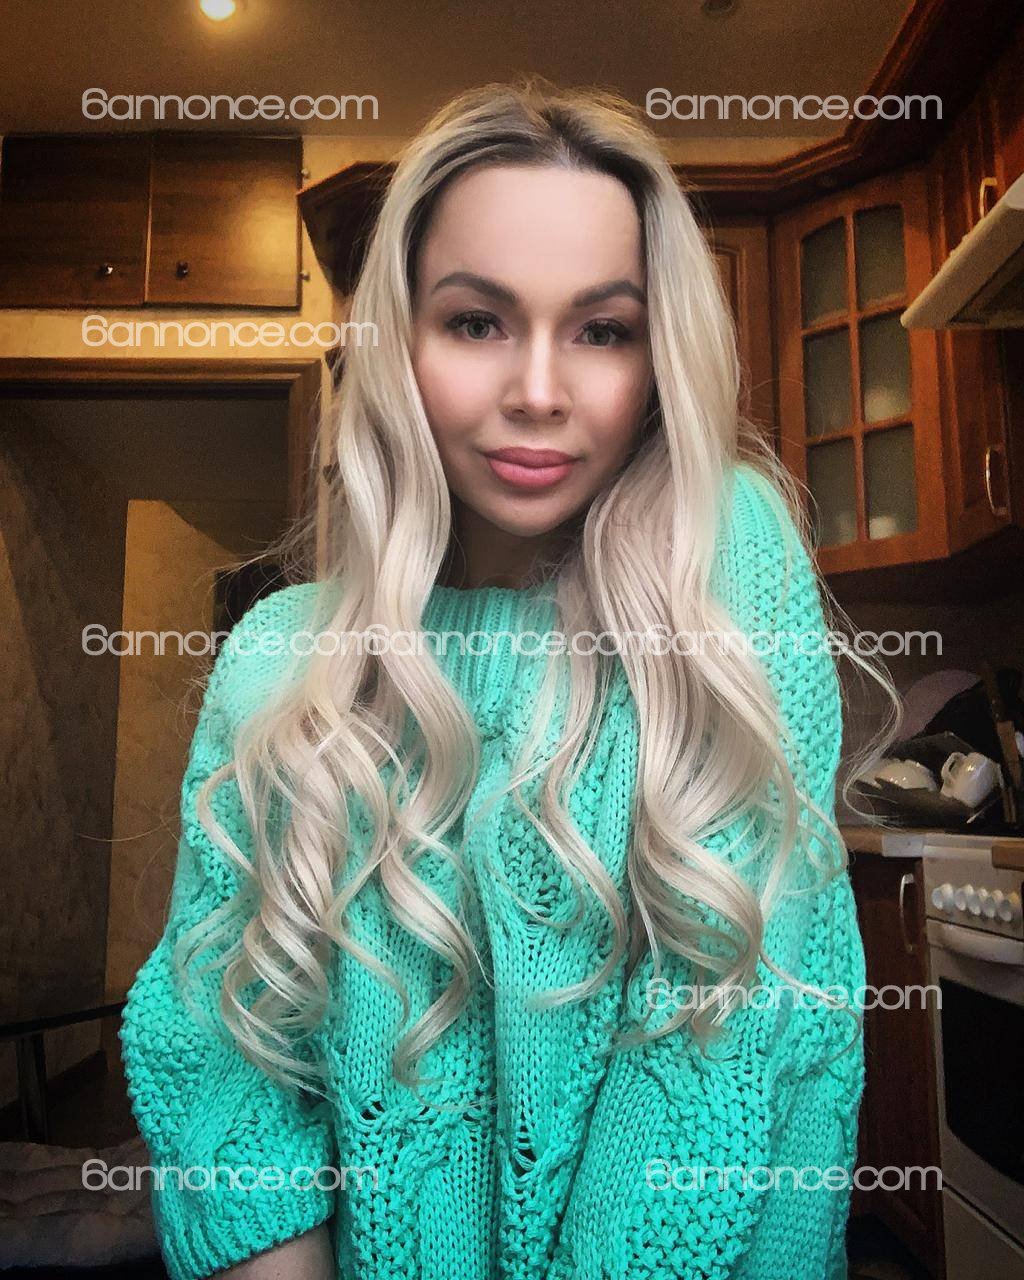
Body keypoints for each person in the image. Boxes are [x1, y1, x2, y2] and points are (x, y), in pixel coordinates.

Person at [119, 77, 896, 1280]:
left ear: (659, 360)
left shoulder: (726, 569)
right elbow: (224, 1063)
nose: (538, 390)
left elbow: (717, 1044)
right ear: (399, 345)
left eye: (603, 329)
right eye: (477, 321)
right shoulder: (276, 654)